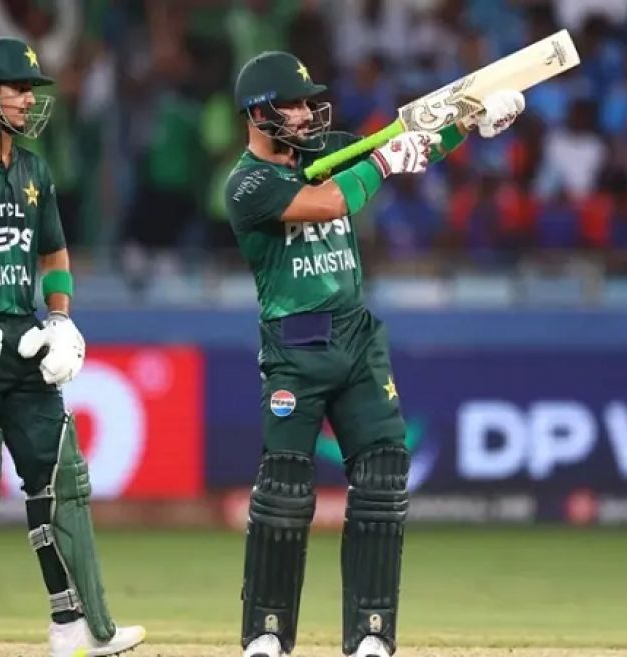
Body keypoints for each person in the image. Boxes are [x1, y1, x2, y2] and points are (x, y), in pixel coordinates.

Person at [224, 50, 524, 657]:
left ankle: (370, 634)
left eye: (309, 103)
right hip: (295, 347)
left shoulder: (330, 150)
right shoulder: (247, 184)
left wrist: (468, 124)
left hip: (357, 337)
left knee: (384, 475)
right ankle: (267, 633)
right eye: (293, 105)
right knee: (285, 490)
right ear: (258, 114)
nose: (306, 114)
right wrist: (382, 163)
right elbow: (330, 203)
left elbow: (412, 143)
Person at [0, 35, 145, 657]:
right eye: (17, 88)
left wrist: (61, 320)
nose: (28, 100)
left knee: (60, 477)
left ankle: (78, 626)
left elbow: (55, 254)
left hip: (25, 339)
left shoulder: (36, 170)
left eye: (31, 89)